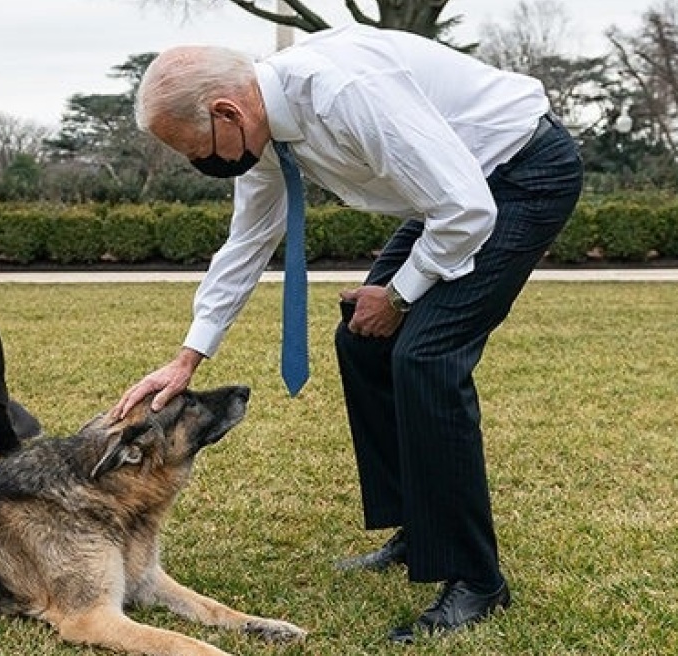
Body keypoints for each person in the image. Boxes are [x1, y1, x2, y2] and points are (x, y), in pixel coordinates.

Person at [112, 23, 583, 643]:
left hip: (519, 177)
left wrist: (398, 295)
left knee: (426, 356)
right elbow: (248, 241)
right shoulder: (262, 134)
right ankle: (420, 528)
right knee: (364, 342)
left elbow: (469, 209)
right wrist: (187, 360)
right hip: (454, 193)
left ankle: (477, 580)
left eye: (197, 150)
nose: (202, 164)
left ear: (227, 110)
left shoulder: (344, 93)